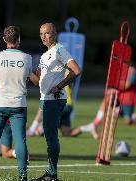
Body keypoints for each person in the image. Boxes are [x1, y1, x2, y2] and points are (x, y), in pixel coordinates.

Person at [0, 26, 39, 181]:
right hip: (18, 104)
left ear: (4, 39)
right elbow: (31, 79)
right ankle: (22, 176)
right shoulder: (27, 58)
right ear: (19, 39)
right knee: (20, 140)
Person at [30, 23, 81, 181]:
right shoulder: (45, 55)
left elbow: (76, 70)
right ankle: (50, 173)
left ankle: (51, 174)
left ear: (54, 34)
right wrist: (26, 71)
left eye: (46, 33)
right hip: (45, 99)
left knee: (51, 137)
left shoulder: (59, 49)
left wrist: (59, 86)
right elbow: (38, 81)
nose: (43, 37)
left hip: (54, 100)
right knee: (49, 136)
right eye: (40, 34)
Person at [71, 65, 136, 139]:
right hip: (119, 97)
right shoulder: (119, 70)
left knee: (128, 121)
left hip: (127, 99)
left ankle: (129, 115)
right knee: (107, 98)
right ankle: (96, 124)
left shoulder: (132, 71)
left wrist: (115, 86)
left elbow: (127, 85)